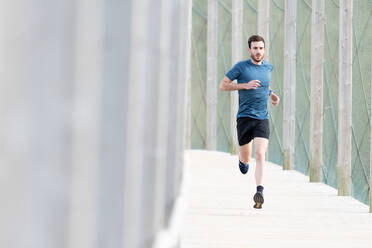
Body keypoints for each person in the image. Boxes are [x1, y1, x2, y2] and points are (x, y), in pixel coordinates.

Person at [219, 35, 280, 209]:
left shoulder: (268, 67)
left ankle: (259, 191)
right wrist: (244, 85)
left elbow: (263, 86)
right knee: (246, 159)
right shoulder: (241, 67)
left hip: (262, 118)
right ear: (249, 50)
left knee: (260, 154)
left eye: (261, 48)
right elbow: (223, 85)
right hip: (245, 117)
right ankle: (242, 162)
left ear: (264, 50)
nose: (258, 51)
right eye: (255, 48)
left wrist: (272, 94)